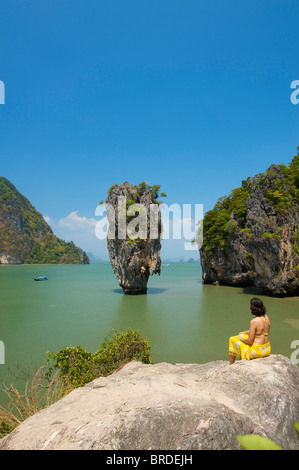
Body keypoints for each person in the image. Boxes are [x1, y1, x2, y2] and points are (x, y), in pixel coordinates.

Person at [228, 297, 271, 365]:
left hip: (257, 351)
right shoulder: (266, 317)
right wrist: (245, 332)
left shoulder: (253, 321)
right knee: (243, 335)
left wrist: (241, 338)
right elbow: (260, 330)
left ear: (253, 308)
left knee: (232, 339)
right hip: (266, 349)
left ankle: (231, 364)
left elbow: (250, 341)